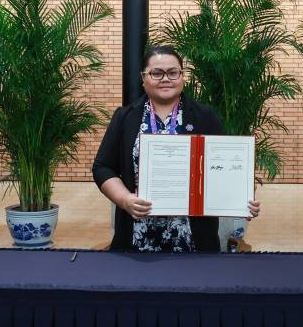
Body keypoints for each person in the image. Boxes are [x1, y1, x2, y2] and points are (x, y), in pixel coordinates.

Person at [92, 45, 261, 252]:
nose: (166, 79)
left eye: (173, 72)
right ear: (143, 78)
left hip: (194, 238)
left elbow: (224, 166)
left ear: (182, 77)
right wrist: (125, 199)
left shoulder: (205, 116)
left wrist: (241, 199)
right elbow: (103, 167)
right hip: (137, 235)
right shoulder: (125, 117)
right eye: (156, 73)